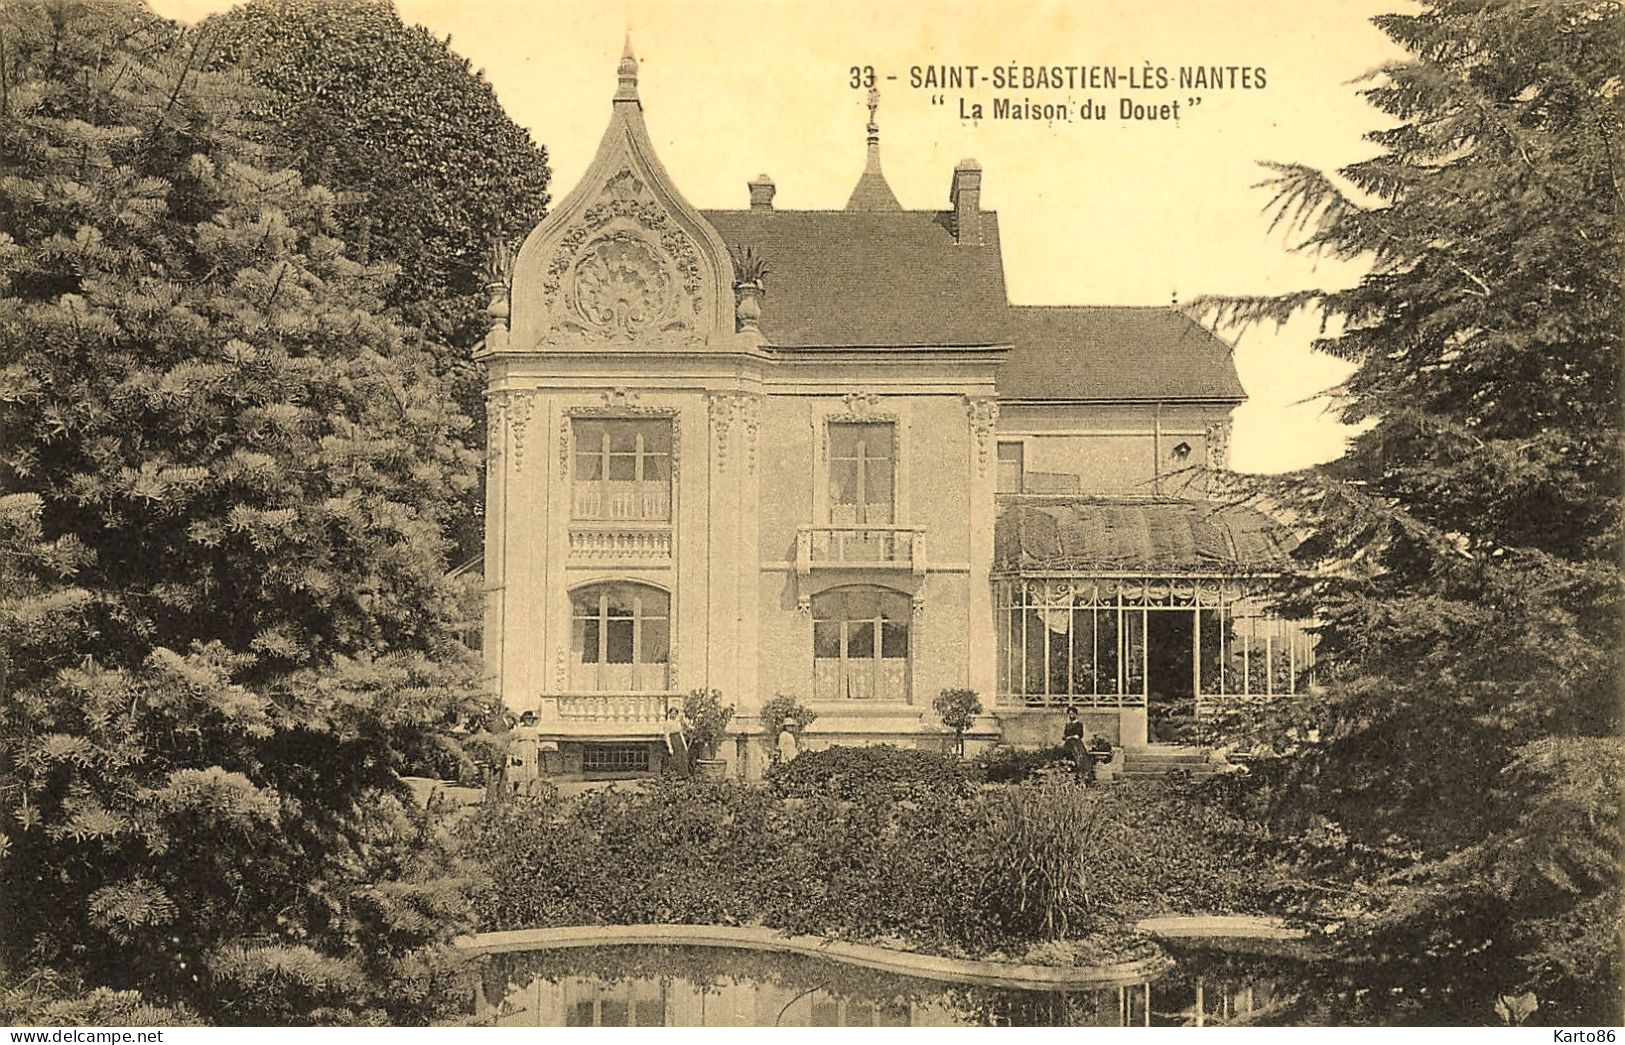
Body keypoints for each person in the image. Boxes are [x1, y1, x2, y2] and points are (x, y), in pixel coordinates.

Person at [1062, 706, 1093, 784]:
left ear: (1076, 714)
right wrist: (1065, 737)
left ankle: (1081, 778)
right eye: (1069, 714)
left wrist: (1070, 737)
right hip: (1068, 744)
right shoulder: (1067, 725)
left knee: (1079, 759)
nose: (1071, 716)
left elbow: (1079, 735)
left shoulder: (1079, 724)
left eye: (1072, 714)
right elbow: (1065, 735)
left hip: (1076, 744)